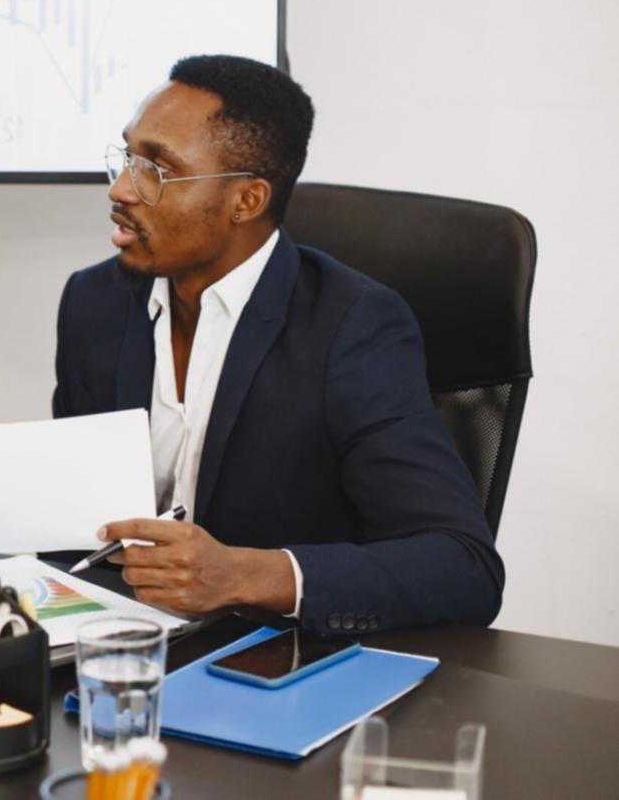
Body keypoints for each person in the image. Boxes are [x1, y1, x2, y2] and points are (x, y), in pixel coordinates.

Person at [53, 54, 502, 633]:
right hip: (121, 642)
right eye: (127, 156)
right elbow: (76, 510)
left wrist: (243, 576)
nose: (121, 188)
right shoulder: (94, 301)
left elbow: (464, 568)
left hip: (275, 659)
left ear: (247, 200)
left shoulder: (354, 328)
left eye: (157, 170)